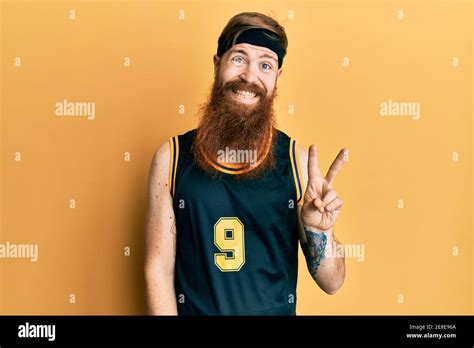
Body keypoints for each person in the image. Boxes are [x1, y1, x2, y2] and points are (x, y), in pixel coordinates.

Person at [144, 11, 348, 315]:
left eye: (265, 64)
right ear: (217, 65)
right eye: (239, 58)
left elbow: (332, 282)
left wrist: (319, 231)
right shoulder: (171, 158)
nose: (250, 77)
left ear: (277, 77)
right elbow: (158, 271)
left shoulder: (297, 162)